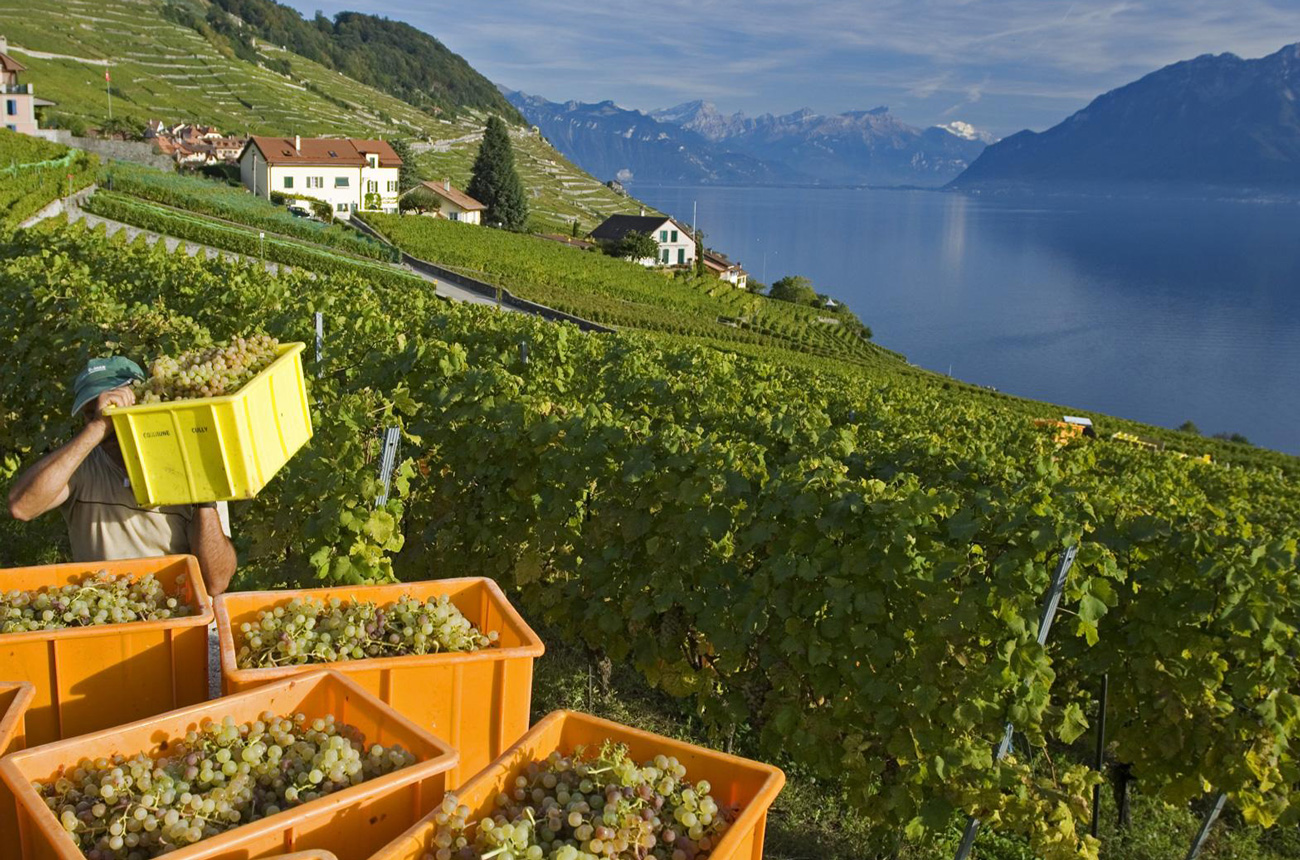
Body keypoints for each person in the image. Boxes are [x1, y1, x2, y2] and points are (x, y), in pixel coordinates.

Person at [6, 357, 237, 595]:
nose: (110, 421)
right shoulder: (82, 467)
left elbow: (216, 582)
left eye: (119, 410)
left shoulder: (190, 468)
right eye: (93, 414)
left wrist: (203, 498)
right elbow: (21, 507)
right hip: (103, 618)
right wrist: (97, 428)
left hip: (172, 620)